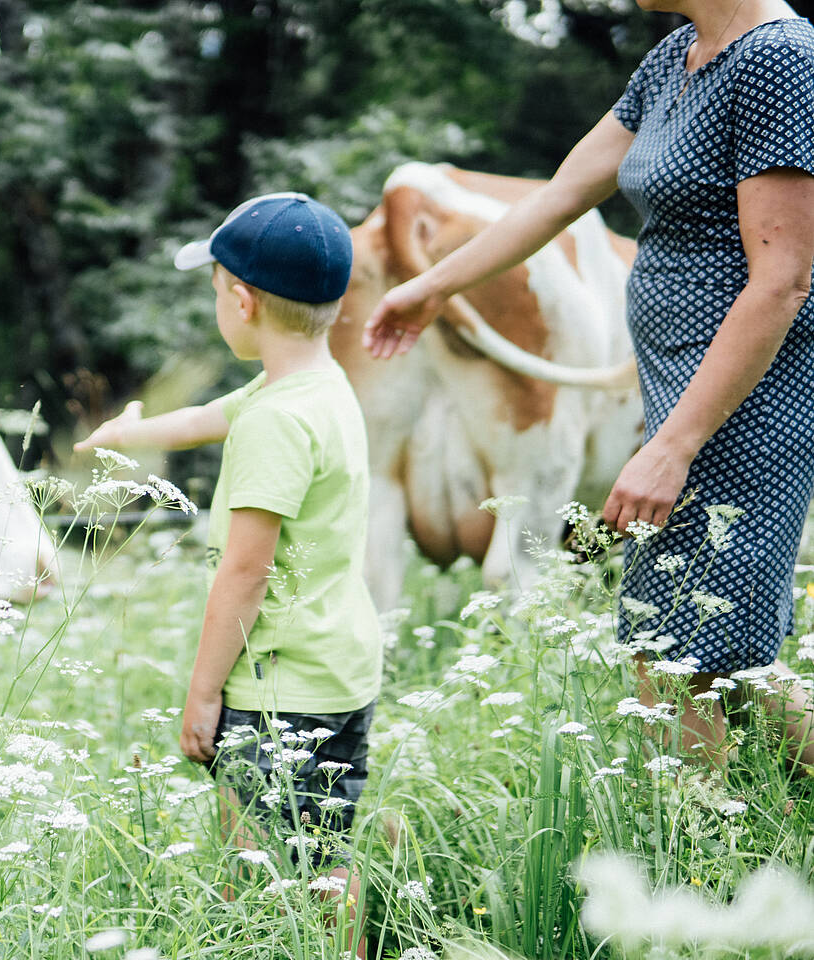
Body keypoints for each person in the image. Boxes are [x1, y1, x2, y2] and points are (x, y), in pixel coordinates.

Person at [365, 1, 814, 768]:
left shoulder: (780, 61)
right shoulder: (677, 57)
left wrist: (670, 448)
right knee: (701, 650)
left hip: (744, 404)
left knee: (680, 657)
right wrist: (433, 286)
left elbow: (783, 282)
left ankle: (695, 856)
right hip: (676, 392)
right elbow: (559, 196)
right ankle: (713, 844)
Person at [76, 193, 382, 950]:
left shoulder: (276, 421)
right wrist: (132, 432)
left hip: (277, 686)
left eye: (215, 289)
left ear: (241, 300)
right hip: (338, 668)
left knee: (261, 856)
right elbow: (215, 414)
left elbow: (245, 573)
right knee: (324, 852)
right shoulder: (316, 384)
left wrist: (203, 692)